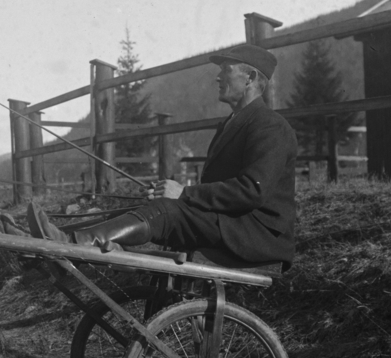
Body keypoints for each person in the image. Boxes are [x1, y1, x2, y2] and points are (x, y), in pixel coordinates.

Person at [61, 43, 298, 268]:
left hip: (256, 236)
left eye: (226, 70)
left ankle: (71, 246)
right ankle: (65, 236)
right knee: (152, 206)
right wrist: (177, 195)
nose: (218, 77)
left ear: (251, 78)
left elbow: (251, 190)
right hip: (232, 225)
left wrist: (183, 193)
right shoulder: (234, 123)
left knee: (164, 211)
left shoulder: (270, 126)